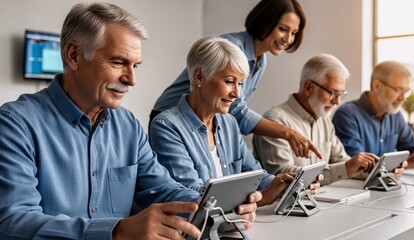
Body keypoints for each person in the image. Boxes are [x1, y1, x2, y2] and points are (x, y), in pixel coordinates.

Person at [0, 3, 261, 240]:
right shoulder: (16, 124)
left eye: (136, 65)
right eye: (118, 62)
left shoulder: (127, 126)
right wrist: (117, 232)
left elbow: (163, 189)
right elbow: (14, 221)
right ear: (73, 56)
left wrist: (217, 209)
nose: (131, 79)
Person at [150, 36, 321, 207]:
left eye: (240, 84)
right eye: (230, 82)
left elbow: (254, 174)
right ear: (199, 76)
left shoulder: (229, 123)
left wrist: (286, 183)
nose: (237, 94)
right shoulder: (166, 126)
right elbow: (193, 194)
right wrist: (260, 198)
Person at [150, 0, 322, 160]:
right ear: (265, 21)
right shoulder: (230, 46)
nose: (288, 39)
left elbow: (234, 106)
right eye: (283, 29)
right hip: (174, 117)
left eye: (293, 33)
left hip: (206, 120)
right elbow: (237, 110)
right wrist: (287, 133)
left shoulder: (261, 60)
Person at [251, 54, 405, 185]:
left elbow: (342, 161)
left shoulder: (324, 121)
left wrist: (380, 172)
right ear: (308, 87)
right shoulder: (275, 121)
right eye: (332, 93)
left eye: (340, 94)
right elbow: (281, 175)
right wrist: (345, 168)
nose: (337, 102)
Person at [333, 60, 414, 169]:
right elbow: (357, 164)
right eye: (398, 90)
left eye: (406, 92)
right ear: (377, 86)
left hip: (386, 184)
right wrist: (406, 164)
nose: (402, 98)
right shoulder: (347, 115)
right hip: (354, 185)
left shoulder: (395, 115)